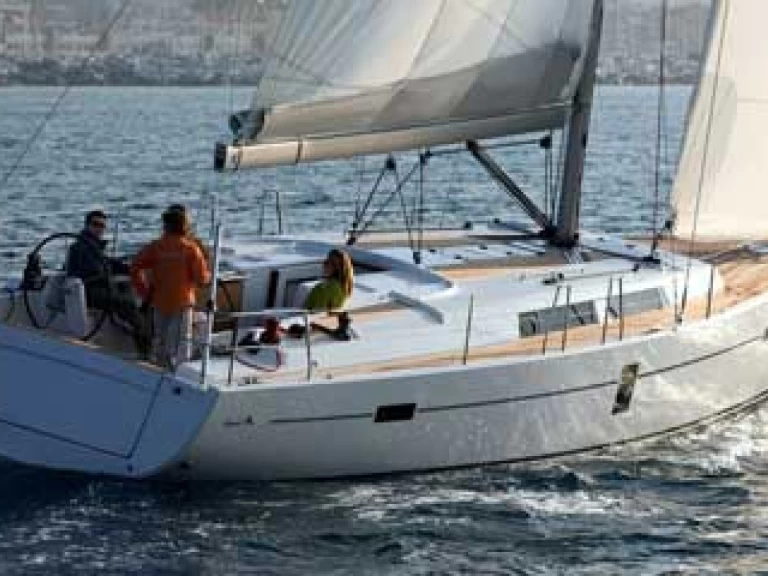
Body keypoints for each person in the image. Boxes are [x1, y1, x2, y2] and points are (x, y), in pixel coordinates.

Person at [130, 206, 211, 368]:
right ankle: (179, 371)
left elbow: (134, 268)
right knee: (181, 342)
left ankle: (159, 368)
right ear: (184, 225)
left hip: (159, 302)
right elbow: (202, 279)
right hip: (182, 303)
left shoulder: (155, 247)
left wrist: (144, 292)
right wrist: (208, 276)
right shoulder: (190, 249)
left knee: (160, 339)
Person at [66, 210, 146, 348]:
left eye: (102, 226)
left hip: (99, 287)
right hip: (90, 290)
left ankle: (134, 329)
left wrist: (131, 269)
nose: (99, 228)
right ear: (87, 225)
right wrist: (110, 272)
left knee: (128, 292)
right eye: (95, 224)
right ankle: (143, 345)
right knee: (126, 304)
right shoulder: (80, 247)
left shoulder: (94, 246)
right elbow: (95, 269)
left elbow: (107, 263)